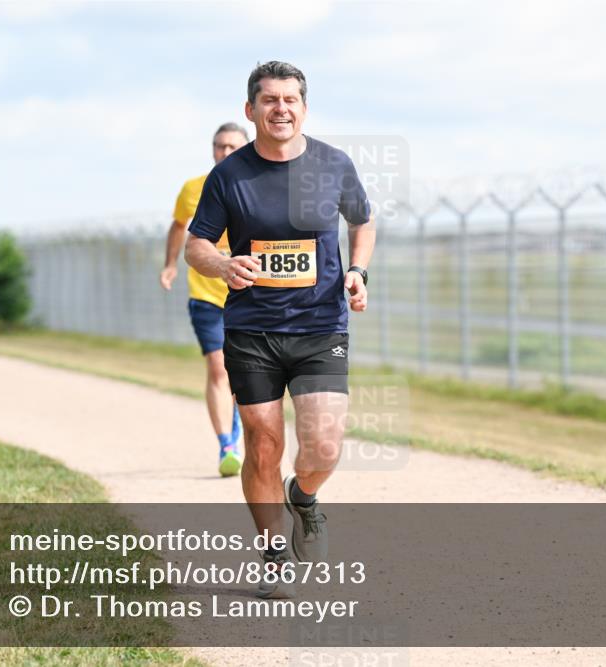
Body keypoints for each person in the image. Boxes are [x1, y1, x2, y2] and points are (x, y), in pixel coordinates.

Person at [186, 61, 375, 598]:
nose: (281, 108)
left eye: (290, 99)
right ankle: (272, 551)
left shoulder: (333, 164)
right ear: (252, 110)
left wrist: (358, 272)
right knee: (264, 445)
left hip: (320, 325)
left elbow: (362, 221)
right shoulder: (230, 175)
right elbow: (196, 244)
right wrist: (223, 265)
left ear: (304, 107)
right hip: (253, 329)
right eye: (269, 100)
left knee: (324, 446)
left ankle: (305, 499)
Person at [160, 122, 249, 477]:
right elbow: (178, 226)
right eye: (219, 146)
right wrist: (170, 264)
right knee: (217, 367)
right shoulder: (193, 188)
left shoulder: (258, 185)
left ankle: (243, 430)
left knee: (246, 373)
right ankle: (226, 443)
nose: (224, 153)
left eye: (232, 147)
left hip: (249, 294)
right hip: (206, 294)